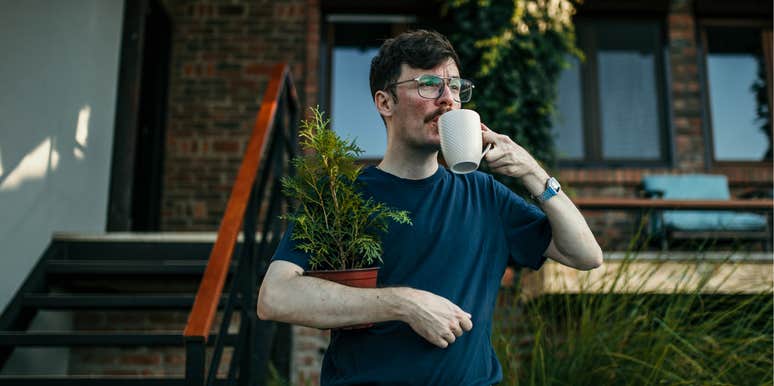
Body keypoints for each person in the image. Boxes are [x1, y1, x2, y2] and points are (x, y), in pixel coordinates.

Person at [258, 29, 603, 385]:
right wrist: (404, 304)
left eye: (454, 87)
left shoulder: (485, 194)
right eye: (428, 84)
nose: (448, 100)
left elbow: (585, 255)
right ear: (385, 102)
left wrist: (531, 171)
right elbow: (276, 296)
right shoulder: (337, 199)